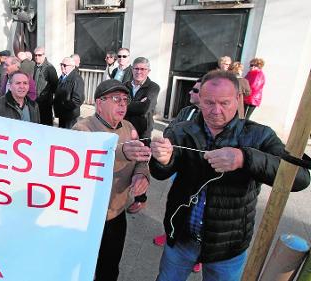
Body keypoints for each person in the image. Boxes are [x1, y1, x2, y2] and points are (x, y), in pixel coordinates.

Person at [150, 70, 309, 281]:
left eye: (224, 103)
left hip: (227, 245)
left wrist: (245, 158)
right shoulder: (181, 130)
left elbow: (300, 178)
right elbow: (161, 174)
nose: (216, 110)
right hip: (181, 237)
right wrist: (162, 160)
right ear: (199, 100)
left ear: (238, 99)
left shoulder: (259, 135)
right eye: (208, 103)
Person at [73, 79, 151, 280]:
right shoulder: (83, 128)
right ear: (99, 103)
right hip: (88, 218)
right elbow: (88, 158)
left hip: (116, 214)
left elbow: (141, 159)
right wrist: (121, 151)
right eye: (116, 99)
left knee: (110, 268)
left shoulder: (129, 127)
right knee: (83, 268)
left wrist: (141, 174)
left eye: (125, 99)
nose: (123, 104)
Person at [153, 77, 204, 274]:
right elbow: (170, 130)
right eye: (192, 90)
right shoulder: (186, 110)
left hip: (200, 171)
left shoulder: (212, 118)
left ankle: (198, 254)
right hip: (179, 164)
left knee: (198, 208)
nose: (190, 93)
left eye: (196, 91)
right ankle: (171, 233)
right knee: (176, 200)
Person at [123, 57, 160, 214]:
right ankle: (122, 193)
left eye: (143, 69)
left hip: (142, 132)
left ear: (148, 71)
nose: (139, 72)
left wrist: (125, 104)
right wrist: (131, 105)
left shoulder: (153, 87)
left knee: (140, 167)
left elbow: (144, 108)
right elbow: (118, 104)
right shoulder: (124, 86)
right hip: (124, 130)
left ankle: (140, 199)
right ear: (132, 70)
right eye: (136, 68)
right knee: (123, 162)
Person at [53, 57, 84, 129]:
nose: (62, 67)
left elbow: (78, 99)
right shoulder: (63, 76)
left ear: (72, 67)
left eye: (64, 65)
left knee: (69, 136)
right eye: (61, 64)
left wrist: (64, 105)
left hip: (70, 115)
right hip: (62, 114)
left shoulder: (77, 78)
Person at [33, 47, 58, 126]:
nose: (37, 57)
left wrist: (46, 96)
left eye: (39, 55)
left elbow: (55, 85)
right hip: (35, 100)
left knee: (46, 123)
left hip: (45, 102)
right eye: (35, 55)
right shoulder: (35, 66)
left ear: (44, 55)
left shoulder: (49, 68)